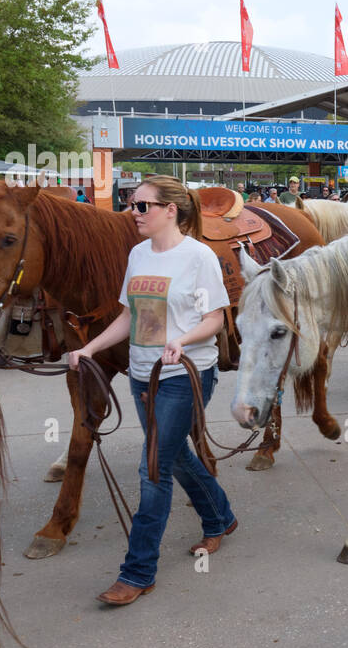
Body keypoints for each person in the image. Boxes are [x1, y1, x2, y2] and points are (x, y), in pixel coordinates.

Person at [66, 176, 237, 606]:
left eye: (142, 205)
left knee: (153, 469)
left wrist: (186, 340)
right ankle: (220, 517)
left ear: (170, 211)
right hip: (143, 374)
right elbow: (129, 316)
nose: (134, 212)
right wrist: (89, 347)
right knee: (174, 454)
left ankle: (137, 572)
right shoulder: (138, 254)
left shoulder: (198, 257)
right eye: (131, 203)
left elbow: (215, 318)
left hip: (186, 376)